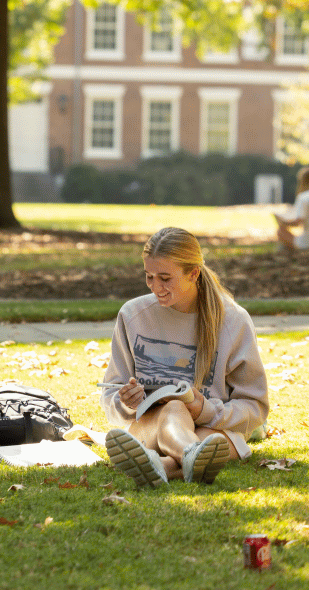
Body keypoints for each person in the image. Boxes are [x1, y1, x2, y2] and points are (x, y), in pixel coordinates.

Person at [101, 227, 268, 489]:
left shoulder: (233, 321)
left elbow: (255, 407)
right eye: (149, 276)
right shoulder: (133, 315)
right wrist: (125, 403)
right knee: (175, 409)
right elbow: (110, 392)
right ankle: (191, 453)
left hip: (211, 429)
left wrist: (204, 410)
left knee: (214, 442)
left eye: (165, 278)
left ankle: (163, 466)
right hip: (148, 428)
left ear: (193, 274)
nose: (156, 287)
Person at [273, 166, 309, 256]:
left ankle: (286, 255)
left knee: (281, 231)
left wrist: (283, 221)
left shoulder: (303, 197)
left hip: (306, 242)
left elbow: (297, 223)